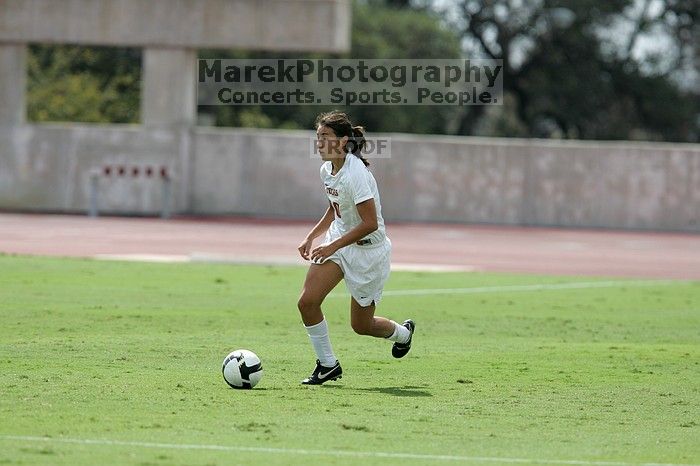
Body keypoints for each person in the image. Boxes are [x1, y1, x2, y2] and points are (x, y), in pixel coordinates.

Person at [296, 110, 414, 385]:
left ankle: (403, 334)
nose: (319, 143)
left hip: (368, 252)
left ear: (342, 140)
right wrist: (312, 237)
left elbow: (370, 223)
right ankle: (327, 365)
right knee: (307, 302)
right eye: (317, 137)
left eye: (325, 137)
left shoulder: (356, 173)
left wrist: (330, 246)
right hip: (339, 242)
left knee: (361, 326)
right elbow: (335, 207)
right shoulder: (327, 169)